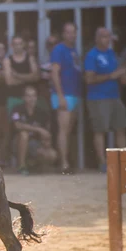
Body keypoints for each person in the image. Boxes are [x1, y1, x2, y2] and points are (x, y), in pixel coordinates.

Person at [84, 27, 126, 173]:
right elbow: (89, 79)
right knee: (100, 130)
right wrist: (112, 75)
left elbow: (120, 76)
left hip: (114, 96)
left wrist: (124, 72)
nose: (107, 39)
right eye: (104, 36)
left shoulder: (112, 53)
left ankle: (123, 160)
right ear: (97, 38)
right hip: (98, 98)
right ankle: (102, 163)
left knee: (121, 127)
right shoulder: (92, 55)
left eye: (109, 36)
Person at [51, 22, 82, 175]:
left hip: (74, 94)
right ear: (63, 34)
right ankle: (64, 164)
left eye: (73, 32)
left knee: (68, 131)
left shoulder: (74, 50)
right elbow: (54, 72)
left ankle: (66, 161)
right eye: (68, 32)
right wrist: (60, 95)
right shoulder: (59, 49)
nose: (71, 35)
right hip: (64, 95)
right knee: (63, 130)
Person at [11, 86, 57, 175]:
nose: (31, 99)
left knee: (52, 155)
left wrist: (46, 142)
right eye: (28, 96)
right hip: (17, 143)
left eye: (34, 96)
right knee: (24, 134)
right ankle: (22, 166)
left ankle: (35, 166)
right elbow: (18, 125)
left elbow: (47, 132)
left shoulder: (42, 112)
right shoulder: (17, 109)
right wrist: (38, 129)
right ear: (23, 97)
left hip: (35, 143)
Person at [4, 35, 39, 115]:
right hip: (14, 97)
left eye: (20, 44)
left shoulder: (30, 58)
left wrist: (16, 75)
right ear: (11, 46)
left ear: (23, 45)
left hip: (30, 100)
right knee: (15, 125)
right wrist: (29, 77)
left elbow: (36, 77)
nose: (18, 46)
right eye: (15, 44)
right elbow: (9, 82)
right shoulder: (7, 60)